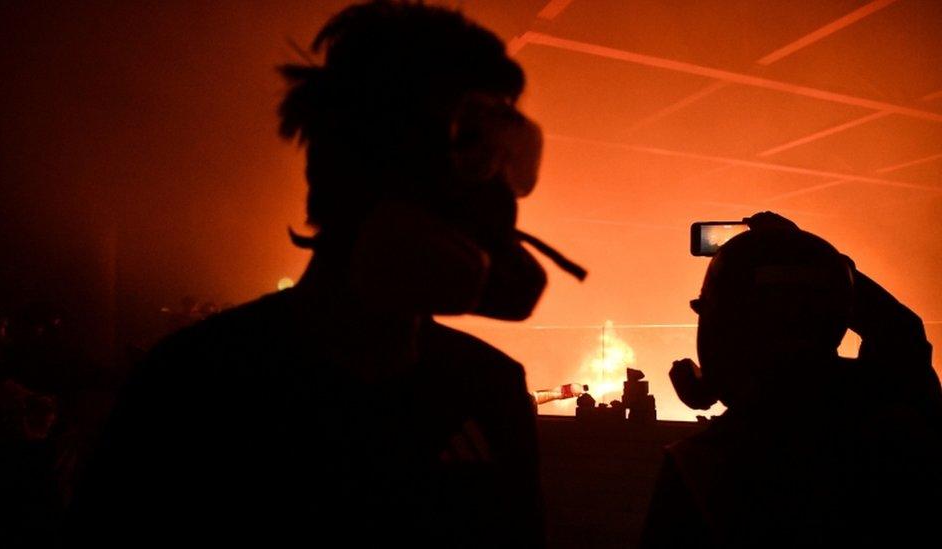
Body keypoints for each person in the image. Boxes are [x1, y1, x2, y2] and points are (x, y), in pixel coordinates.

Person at [69, 2, 585, 546]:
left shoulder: (489, 387)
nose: (489, 200)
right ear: (353, 164)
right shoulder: (194, 387)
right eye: (464, 153)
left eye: (502, 162)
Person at [642, 212, 942, 548]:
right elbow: (900, 333)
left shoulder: (701, 467)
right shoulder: (896, 416)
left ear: (721, 329)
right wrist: (810, 257)